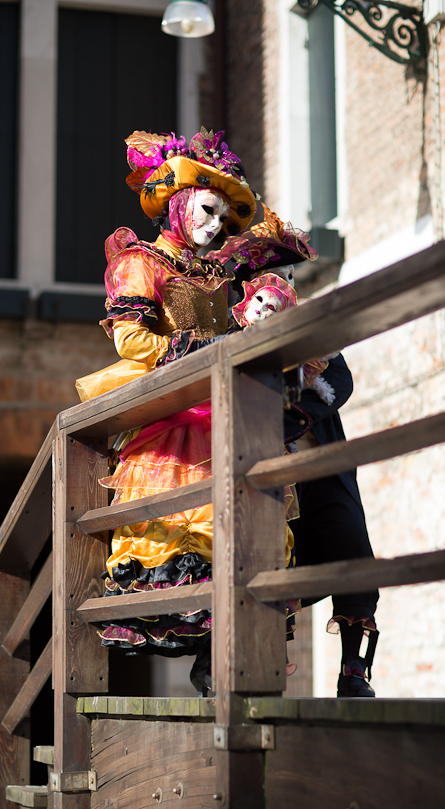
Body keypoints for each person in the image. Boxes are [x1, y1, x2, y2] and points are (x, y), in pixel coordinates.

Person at [76, 128, 275, 695]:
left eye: (223, 219)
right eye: (208, 211)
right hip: (171, 424)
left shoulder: (220, 277)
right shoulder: (141, 262)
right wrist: (197, 351)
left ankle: (218, 658)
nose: (215, 227)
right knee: (178, 532)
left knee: (234, 531)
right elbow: (131, 340)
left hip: (223, 414)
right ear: (180, 202)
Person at [214, 217, 379, 697]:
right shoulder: (233, 329)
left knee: (349, 541)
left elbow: (340, 379)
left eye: (289, 276)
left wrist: (297, 414)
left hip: (319, 458)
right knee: (271, 560)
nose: (285, 285)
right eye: (274, 276)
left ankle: (354, 670)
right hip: (263, 466)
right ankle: (261, 670)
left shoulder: (310, 327)